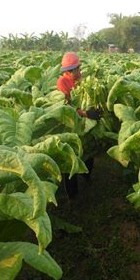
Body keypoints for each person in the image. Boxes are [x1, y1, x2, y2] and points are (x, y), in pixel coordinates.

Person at [56, 52, 100, 199]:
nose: (79, 71)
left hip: (84, 125)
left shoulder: (82, 80)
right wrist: (86, 113)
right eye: (76, 69)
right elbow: (66, 107)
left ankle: (87, 178)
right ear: (69, 71)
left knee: (88, 151)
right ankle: (72, 196)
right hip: (69, 124)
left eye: (79, 68)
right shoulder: (62, 82)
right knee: (71, 157)